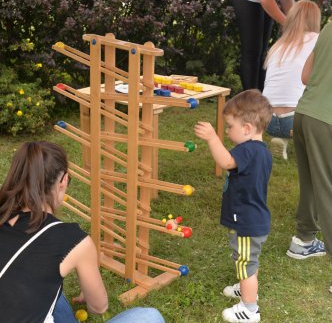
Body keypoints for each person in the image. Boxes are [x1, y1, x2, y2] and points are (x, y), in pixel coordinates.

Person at [0, 141, 165, 323]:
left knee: (39, 284)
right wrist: (89, 284)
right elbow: (98, 307)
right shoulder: (72, 240)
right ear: (63, 181)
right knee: (149, 317)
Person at [195, 90, 273, 323]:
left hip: (247, 222)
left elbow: (227, 162)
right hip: (253, 218)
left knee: (245, 263)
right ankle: (245, 286)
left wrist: (212, 138)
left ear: (247, 129)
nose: (227, 132)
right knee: (248, 260)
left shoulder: (246, 150)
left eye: (229, 127)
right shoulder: (262, 151)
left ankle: (249, 309)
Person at [286, 20, 332, 267]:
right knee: (327, 187)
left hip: (305, 114)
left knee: (313, 182)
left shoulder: (328, 26)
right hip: (327, 119)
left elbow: (306, 76)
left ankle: (303, 240)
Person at [262, 0, 321, 159]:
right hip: (296, 121)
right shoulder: (318, 40)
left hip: (266, 119)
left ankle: (280, 139)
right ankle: (311, 143)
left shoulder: (279, 45)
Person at [231, 0, 297, 91]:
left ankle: (262, 98)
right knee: (252, 53)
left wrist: (298, 24)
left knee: (262, 54)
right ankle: (251, 101)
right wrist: (288, 24)